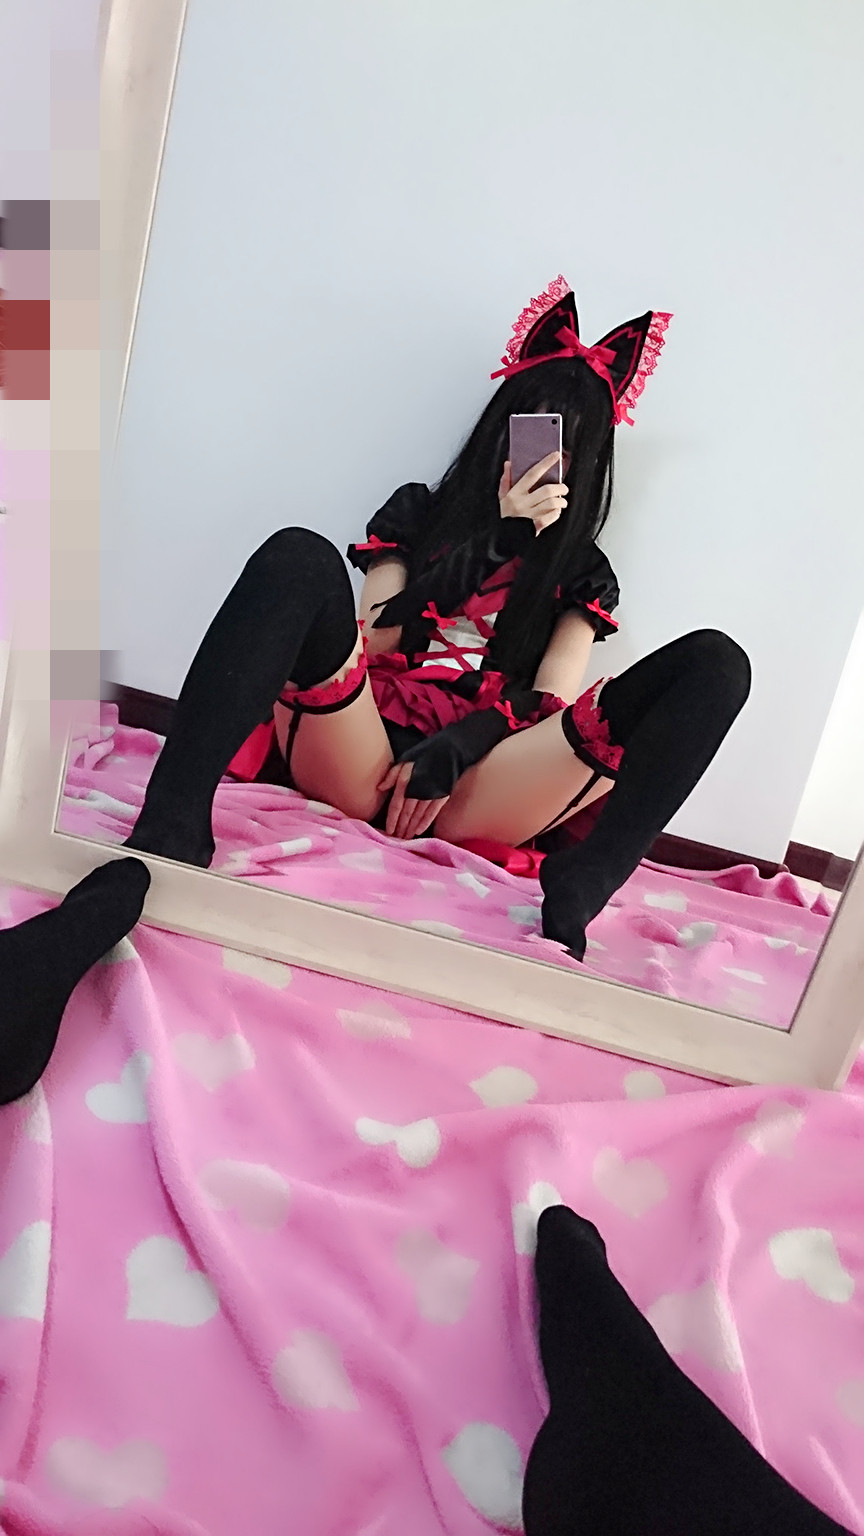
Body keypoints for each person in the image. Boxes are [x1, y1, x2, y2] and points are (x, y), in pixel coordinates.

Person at [125, 276, 751, 959]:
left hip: (484, 778)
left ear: (591, 462)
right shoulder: (418, 513)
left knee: (716, 664)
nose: (548, 461)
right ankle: (172, 821)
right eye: (536, 433)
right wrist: (500, 540)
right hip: (361, 747)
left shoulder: (583, 571)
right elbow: (374, 639)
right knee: (297, 556)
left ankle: (587, 879)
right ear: (501, 430)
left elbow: (552, 701)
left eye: (571, 448)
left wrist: (459, 745)